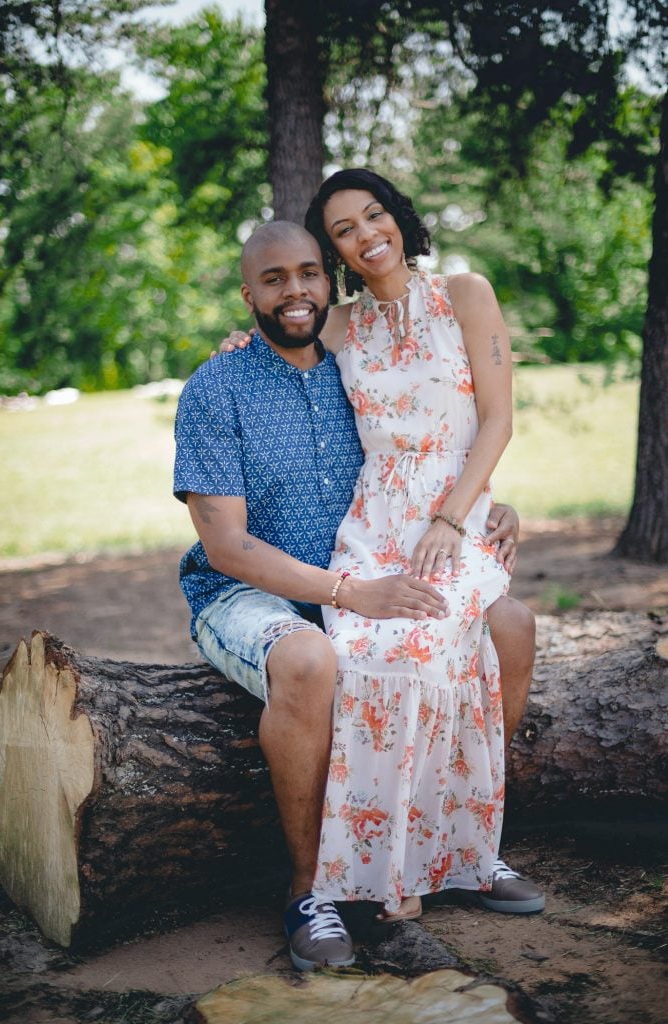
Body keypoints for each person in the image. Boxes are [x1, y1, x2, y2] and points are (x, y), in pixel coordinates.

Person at [173, 217, 539, 973]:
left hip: (366, 572)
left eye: (308, 273)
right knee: (309, 659)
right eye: (273, 279)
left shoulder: (355, 364)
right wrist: (350, 593)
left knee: (508, 623)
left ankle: (468, 847)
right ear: (247, 293)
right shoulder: (218, 387)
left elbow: (424, 443)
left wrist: (485, 511)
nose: (294, 290)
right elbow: (226, 547)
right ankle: (311, 890)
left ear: (327, 280)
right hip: (246, 594)